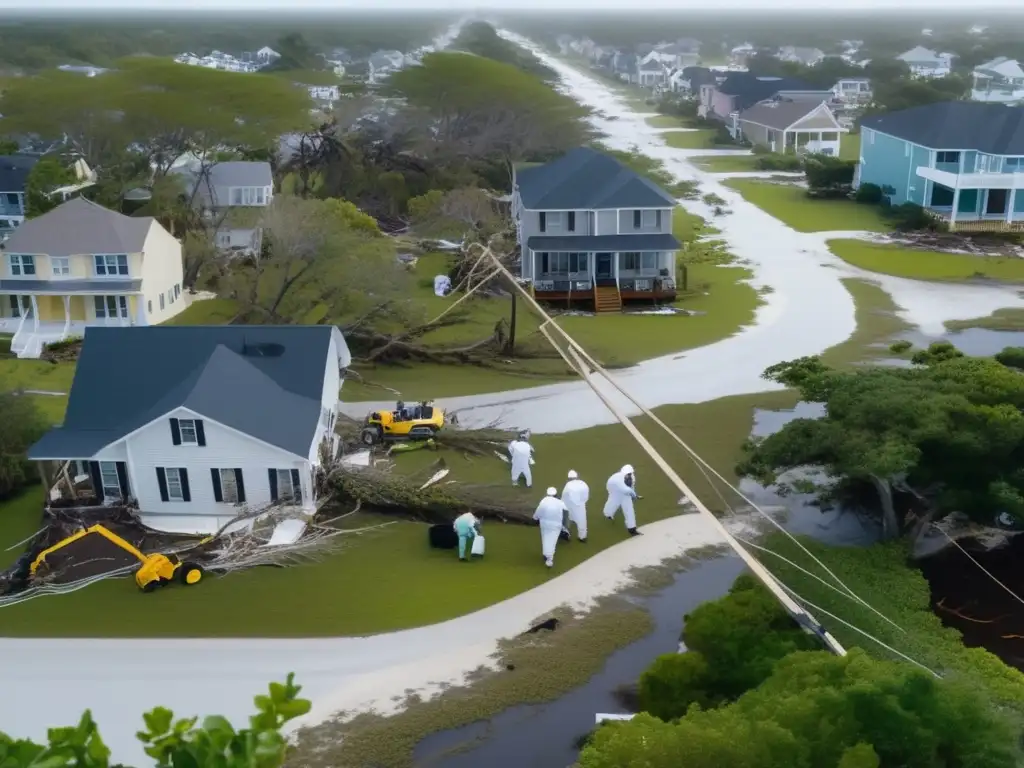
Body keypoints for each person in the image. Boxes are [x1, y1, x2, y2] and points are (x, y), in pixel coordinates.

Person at [603, 464, 642, 536]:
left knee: (629, 509)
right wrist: (634, 495)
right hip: (615, 491)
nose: (629, 475)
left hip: (625, 493)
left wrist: (634, 495)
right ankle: (608, 514)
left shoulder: (632, 477)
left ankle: (632, 529)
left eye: (630, 474)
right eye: (628, 474)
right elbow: (626, 489)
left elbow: (631, 487)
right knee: (613, 503)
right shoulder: (617, 479)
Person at [533, 487, 567, 568]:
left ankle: (546, 554)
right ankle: (549, 559)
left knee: (545, 538)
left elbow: (539, 511)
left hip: (544, 524)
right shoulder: (559, 502)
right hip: (555, 525)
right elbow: (566, 509)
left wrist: (535, 518)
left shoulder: (544, 501)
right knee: (552, 541)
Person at [562, 469, 590, 543]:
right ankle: (582, 537)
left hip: (569, 505)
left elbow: (564, 496)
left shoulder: (568, 485)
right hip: (580, 506)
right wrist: (582, 501)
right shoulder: (583, 483)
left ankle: (566, 534)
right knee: (582, 521)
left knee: (566, 520)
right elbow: (586, 494)